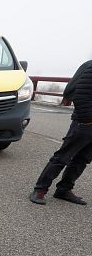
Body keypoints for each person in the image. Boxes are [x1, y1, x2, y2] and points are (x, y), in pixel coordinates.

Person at [30, 59, 92, 205]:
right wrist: (88, 119)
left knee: (83, 159)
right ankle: (40, 189)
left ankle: (64, 189)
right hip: (85, 122)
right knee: (63, 156)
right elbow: (81, 95)